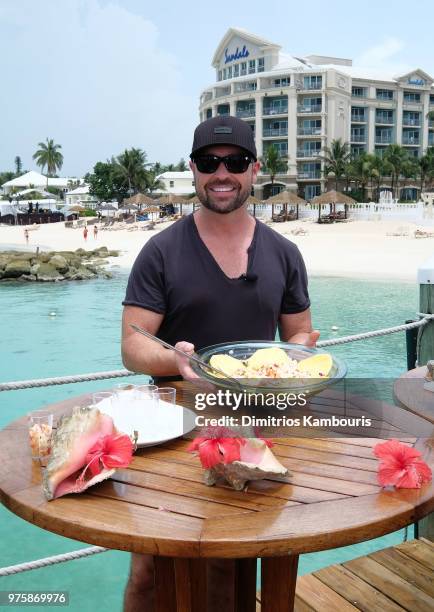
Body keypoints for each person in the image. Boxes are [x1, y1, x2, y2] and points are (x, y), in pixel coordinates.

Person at [121, 115, 319, 611]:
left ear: (255, 168)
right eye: (210, 162)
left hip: (259, 423)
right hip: (173, 424)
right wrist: (173, 357)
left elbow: (297, 332)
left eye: (235, 162)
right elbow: (131, 344)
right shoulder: (161, 251)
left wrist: (303, 356)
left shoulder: (284, 252)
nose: (222, 173)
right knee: (148, 567)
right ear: (193, 169)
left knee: (230, 564)